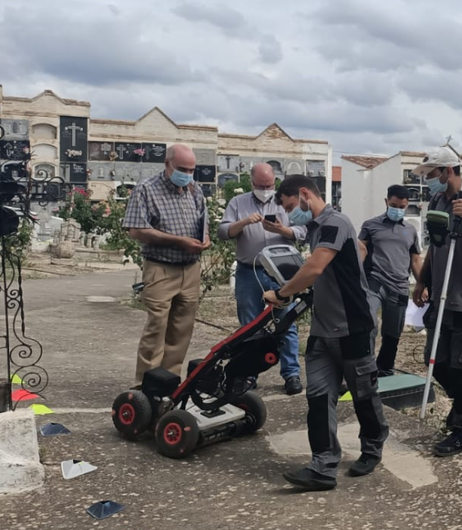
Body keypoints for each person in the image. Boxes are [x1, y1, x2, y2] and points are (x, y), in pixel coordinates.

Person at [264, 174, 388, 491]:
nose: (292, 213)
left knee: (363, 395)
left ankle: (373, 446)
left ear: (305, 194)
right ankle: (323, 465)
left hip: (353, 328)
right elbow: (357, 250)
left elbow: (315, 267)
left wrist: (282, 293)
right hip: (322, 329)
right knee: (319, 398)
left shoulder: (335, 222)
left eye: (292, 206)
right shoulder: (317, 230)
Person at [411, 147, 462, 457]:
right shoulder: (437, 201)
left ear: (448, 171)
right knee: (436, 361)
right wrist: (422, 279)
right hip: (441, 297)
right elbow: (435, 244)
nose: (429, 180)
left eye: (432, 174)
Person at [122, 144, 211, 385]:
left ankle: (169, 383)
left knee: (181, 331)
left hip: (190, 269)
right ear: (167, 164)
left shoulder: (194, 190)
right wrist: (178, 241)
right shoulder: (147, 189)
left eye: (192, 169)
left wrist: (205, 239)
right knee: (157, 329)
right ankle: (146, 387)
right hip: (161, 267)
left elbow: (203, 221)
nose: (188, 174)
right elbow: (136, 230)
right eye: (182, 168)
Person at [219, 163, 306, 395]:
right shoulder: (238, 203)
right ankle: (249, 373)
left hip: (280, 272)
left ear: (275, 182)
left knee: (286, 322)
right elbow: (223, 232)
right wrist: (244, 222)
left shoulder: (286, 202)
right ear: (251, 182)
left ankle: (291, 374)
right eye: (260, 185)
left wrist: (283, 231)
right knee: (249, 326)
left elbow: (304, 231)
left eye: (269, 185)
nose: (265, 189)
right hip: (249, 271)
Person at [358, 184, 422, 377]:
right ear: (386, 202)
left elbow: (415, 260)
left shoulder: (410, 231)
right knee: (368, 323)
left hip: (400, 285)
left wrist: (422, 284)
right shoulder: (370, 225)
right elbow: (360, 249)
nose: (397, 210)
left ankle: (385, 367)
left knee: (392, 332)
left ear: (407, 205)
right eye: (394, 205)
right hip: (374, 282)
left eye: (401, 207)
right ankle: (365, 367)